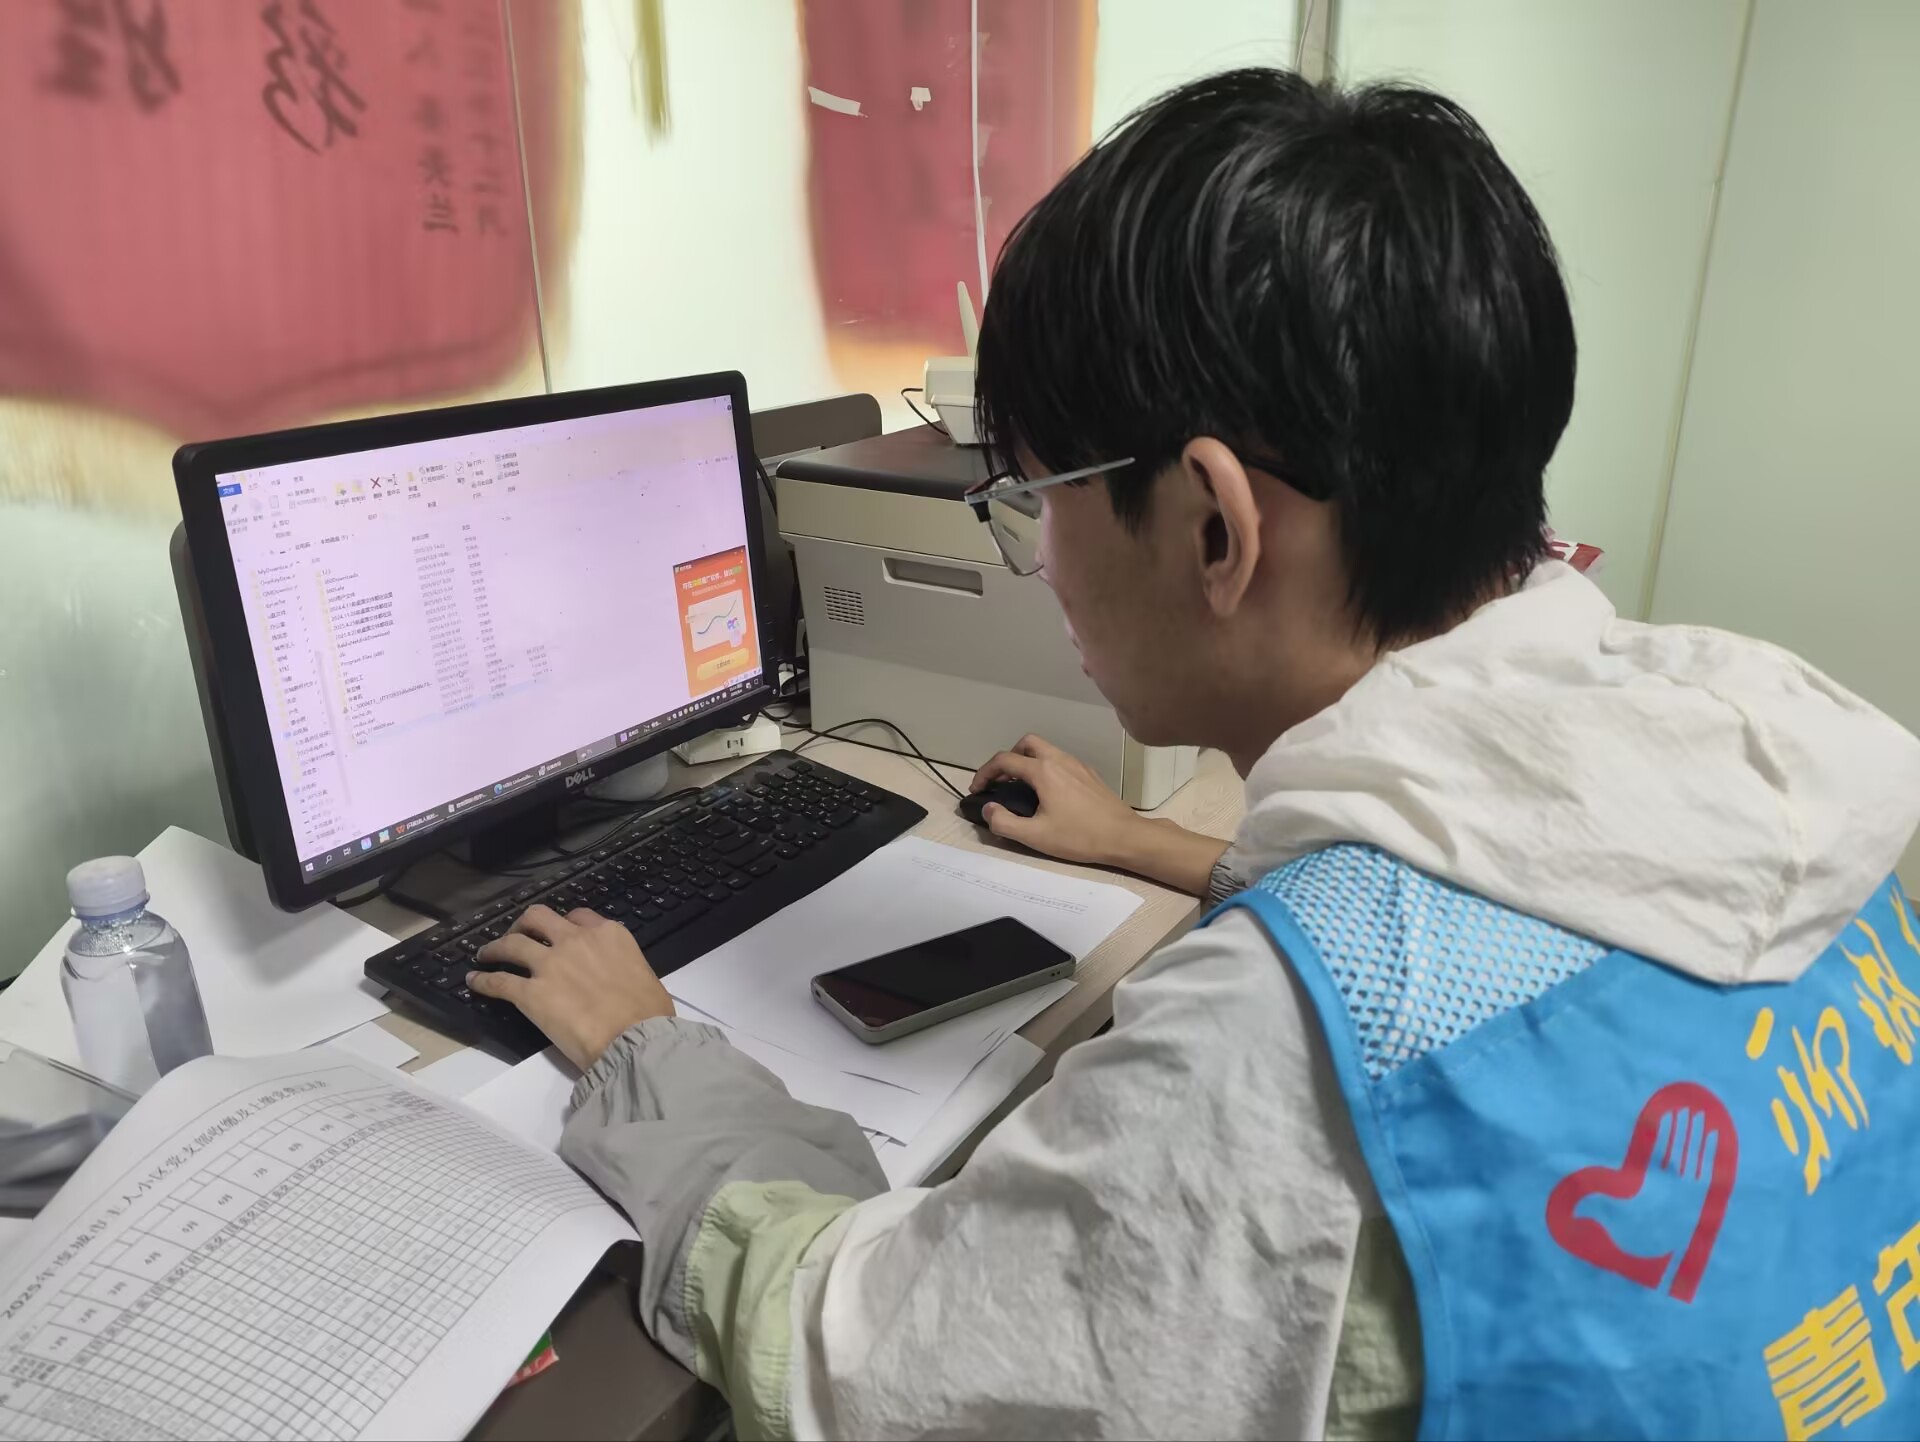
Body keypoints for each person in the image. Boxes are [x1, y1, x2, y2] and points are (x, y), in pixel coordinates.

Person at [469, 69, 1920, 1439]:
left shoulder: (1257, 1056)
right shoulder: (1747, 751)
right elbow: (1504, 914)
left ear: (1216, 528)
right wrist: (1142, 845)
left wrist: (646, 1056)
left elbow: (849, 1360)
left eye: (1036, 493)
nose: (1039, 555)